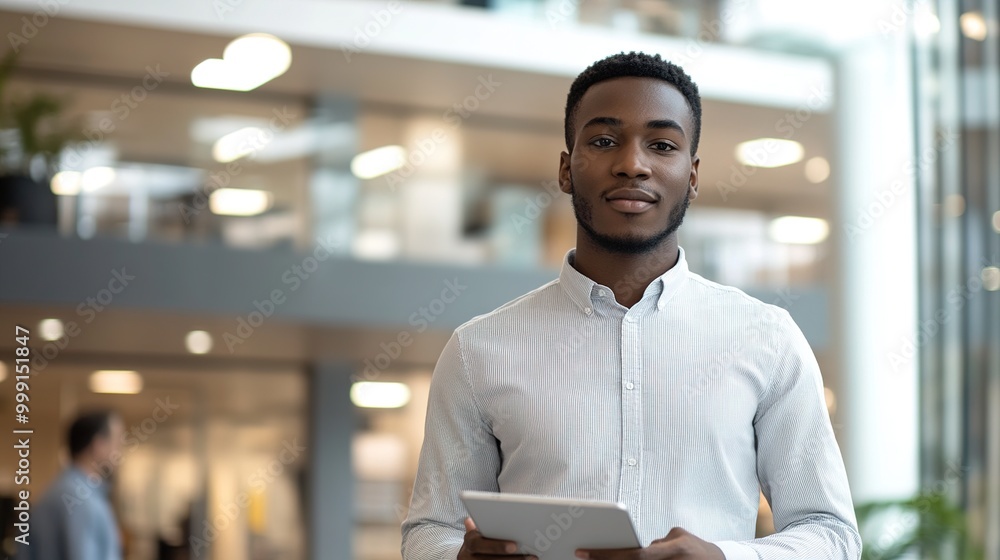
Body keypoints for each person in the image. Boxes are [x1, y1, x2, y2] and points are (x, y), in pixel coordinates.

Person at [401, 52, 861, 560]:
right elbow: (429, 530)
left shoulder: (769, 339)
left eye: (662, 145)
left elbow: (830, 533)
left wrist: (726, 558)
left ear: (692, 175)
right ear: (565, 169)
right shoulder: (477, 349)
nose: (632, 164)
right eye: (602, 141)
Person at [19, 410, 126, 560]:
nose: (120, 450)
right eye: (117, 442)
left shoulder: (57, 490)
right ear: (98, 445)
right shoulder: (82, 499)